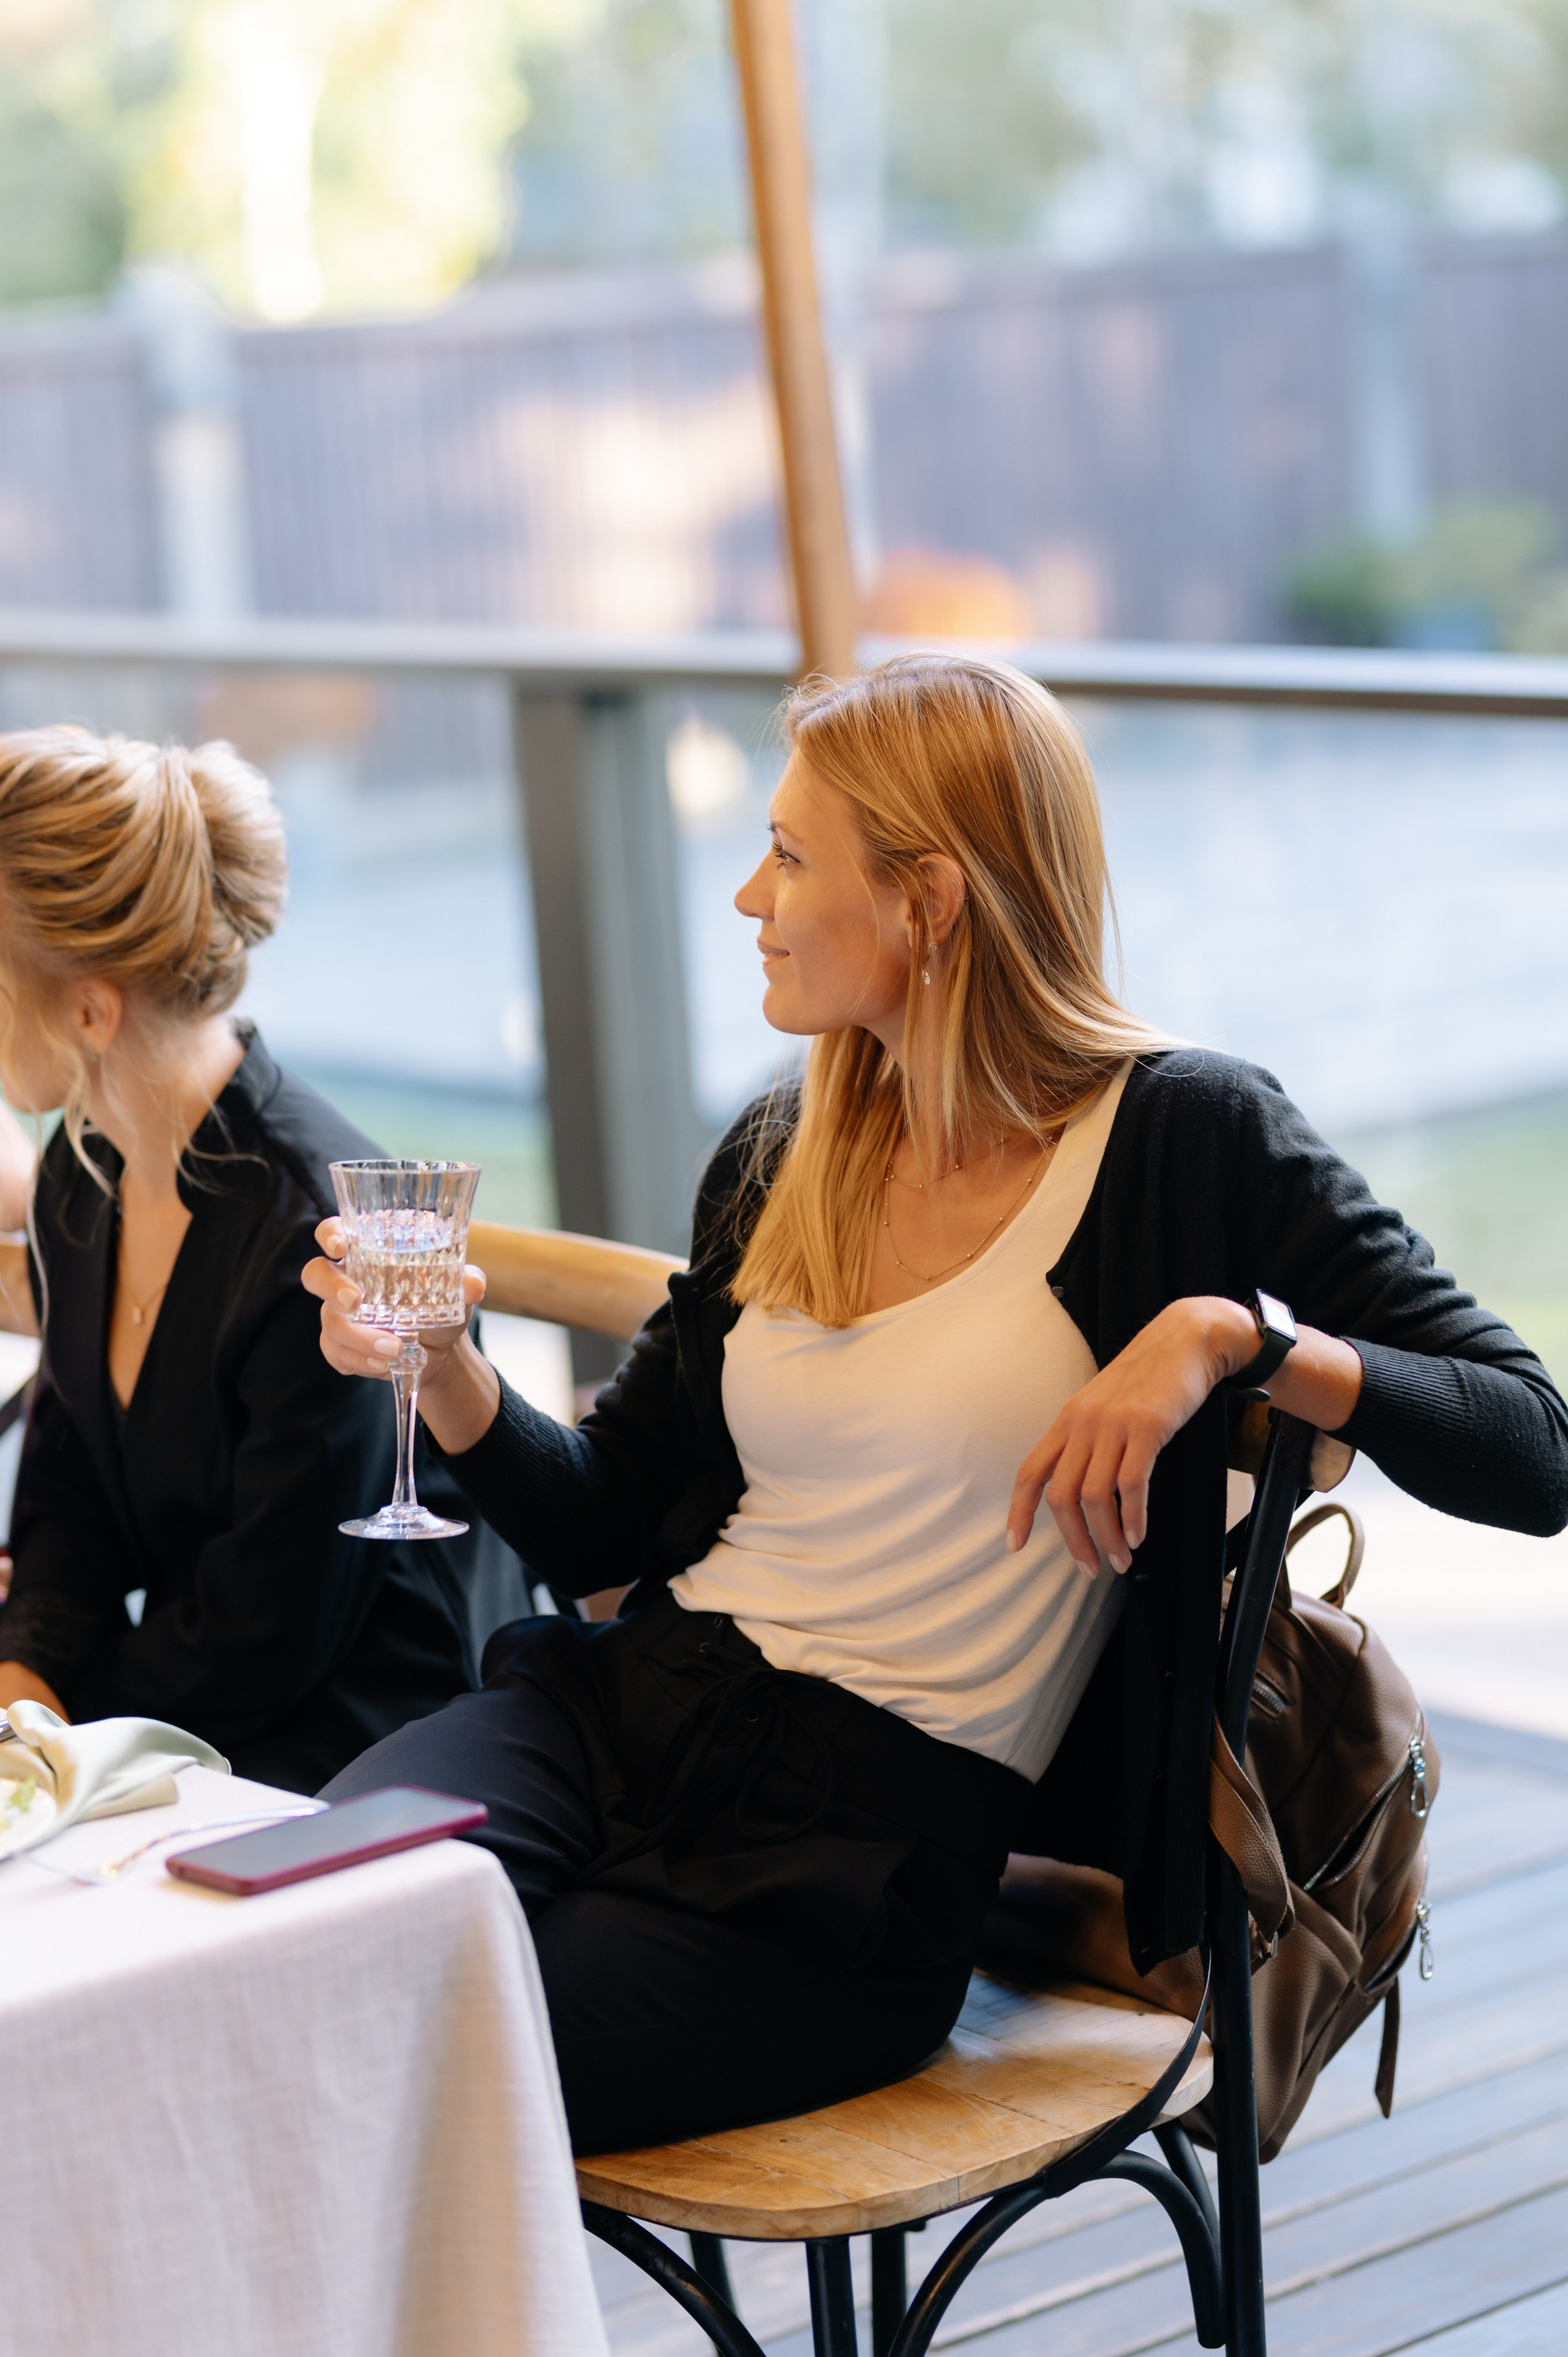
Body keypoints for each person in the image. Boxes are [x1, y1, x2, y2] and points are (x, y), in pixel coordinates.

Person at [307, 654, 1568, 2156]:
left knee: (427, 2062)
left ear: (930, 901)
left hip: (860, 1860)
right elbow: (608, 1511)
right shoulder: (787, 1143)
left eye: (786, 855)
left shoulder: (1186, 1134)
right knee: (317, 1941)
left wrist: (1227, 1337)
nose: (745, 899)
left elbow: (1531, 1444)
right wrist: (445, 1366)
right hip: (614, 1712)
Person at [0, 725, 524, 1790]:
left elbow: (269, 1631)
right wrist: (30, 1676)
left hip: (369, 1750)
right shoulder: (81, 1168)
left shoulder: (318, 1238)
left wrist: (60, 1734)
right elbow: (67, 1488)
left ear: (91, 1010)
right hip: (183, 1710)